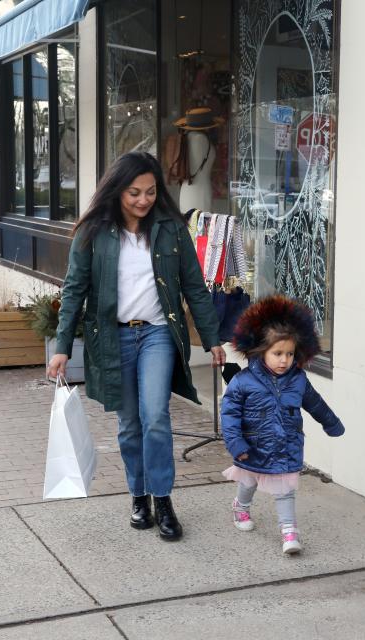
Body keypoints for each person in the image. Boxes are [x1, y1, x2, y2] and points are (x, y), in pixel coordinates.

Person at [47, 151, 226, 541]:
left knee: (156, 417)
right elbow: (74, 290)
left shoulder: (170, 228)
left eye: (150, 191)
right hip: (114, 338)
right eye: (134, 193)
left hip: (158, 333)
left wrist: (212, 338)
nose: (143, 200)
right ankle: (138, 495)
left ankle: (163, 500)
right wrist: (61, 347)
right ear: (116, 190)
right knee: (129, 425)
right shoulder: (93, 232)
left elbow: (194, 286)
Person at [220, 295, 344, 554]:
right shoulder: (243, 382)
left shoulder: (298, 380)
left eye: (289, 354)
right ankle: (241, 507)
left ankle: (289, 534)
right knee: (249, 482)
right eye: (277, 353)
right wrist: (236, 444)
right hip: (253, 446)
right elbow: (229, 415)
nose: (284, 360)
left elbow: (315, 403)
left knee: (285, 490)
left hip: (286, 446)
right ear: (260, 351)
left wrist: (330, 423)